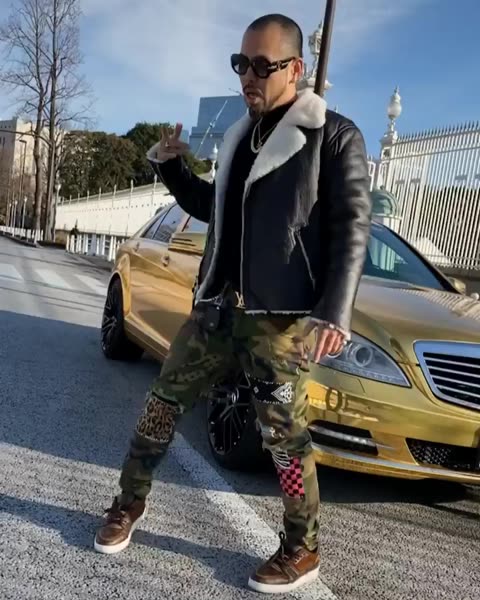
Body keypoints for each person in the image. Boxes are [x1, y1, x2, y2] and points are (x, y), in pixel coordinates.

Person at [94, 13, 372, 595]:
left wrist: (334, 310)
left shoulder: (332, 136)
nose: (248, 75)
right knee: (160, 406)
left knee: (284, 441)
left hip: (278, 323)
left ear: (295, 68)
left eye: (262, 65)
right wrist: (171, 166)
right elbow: (212, 206)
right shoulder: (239, 137)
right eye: (241, 63)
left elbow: (352, 225)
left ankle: (302, 547)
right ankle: (127, 504)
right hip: (216, 309)